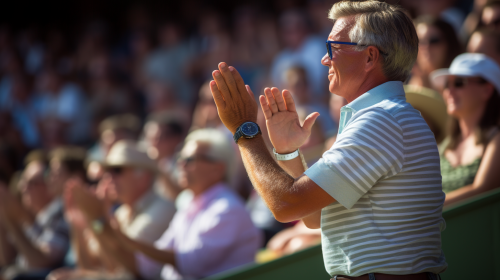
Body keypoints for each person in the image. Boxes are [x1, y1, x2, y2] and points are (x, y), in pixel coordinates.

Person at [209, 1, 447, 279]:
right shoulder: (384, 118)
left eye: (333, 48)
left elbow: (286, 205)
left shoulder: (382, 120)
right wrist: (287, 152)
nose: (325, 59)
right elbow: (313, 216)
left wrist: (245, 129)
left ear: (370, 57)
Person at [67, 128, 261, 280]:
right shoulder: (189, 206)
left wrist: (101, 222)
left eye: (189, 160)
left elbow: (189, 264)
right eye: (180, 159)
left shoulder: (228, 209)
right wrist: (93, 222)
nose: (180, 165)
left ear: (217, 169)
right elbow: (144, 265)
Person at [430, 53, 500, 206]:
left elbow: (482, 190)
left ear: (487, 90)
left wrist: (427, 208)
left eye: (459, 83)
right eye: (447, 84)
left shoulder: (496, 139)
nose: (449, 91)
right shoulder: (445, 144)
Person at [0, 161, 69, 280]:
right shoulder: (36, 219)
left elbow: (41, 263)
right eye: (23, 181)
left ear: (49, 184)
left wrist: (12, 223)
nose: (23, 187)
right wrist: (4, 217)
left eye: (31, 183)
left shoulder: (60, 213)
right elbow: (6, 259)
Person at [408, 16, 462, 89]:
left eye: (434, 40)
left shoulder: (461, 82)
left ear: (449, 44)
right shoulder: (403, 82)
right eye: (419, 41)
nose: (426, 46)